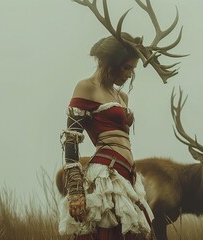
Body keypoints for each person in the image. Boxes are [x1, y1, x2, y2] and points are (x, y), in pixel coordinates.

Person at [58, 34, 155, 240]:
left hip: (128, 175)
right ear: (110, 62)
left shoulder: (122, 96)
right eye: (126, 67)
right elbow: (71, 141)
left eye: (133, 69)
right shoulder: (86, 88)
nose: (129, 75)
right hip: (105, 175)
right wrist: (75, 191)